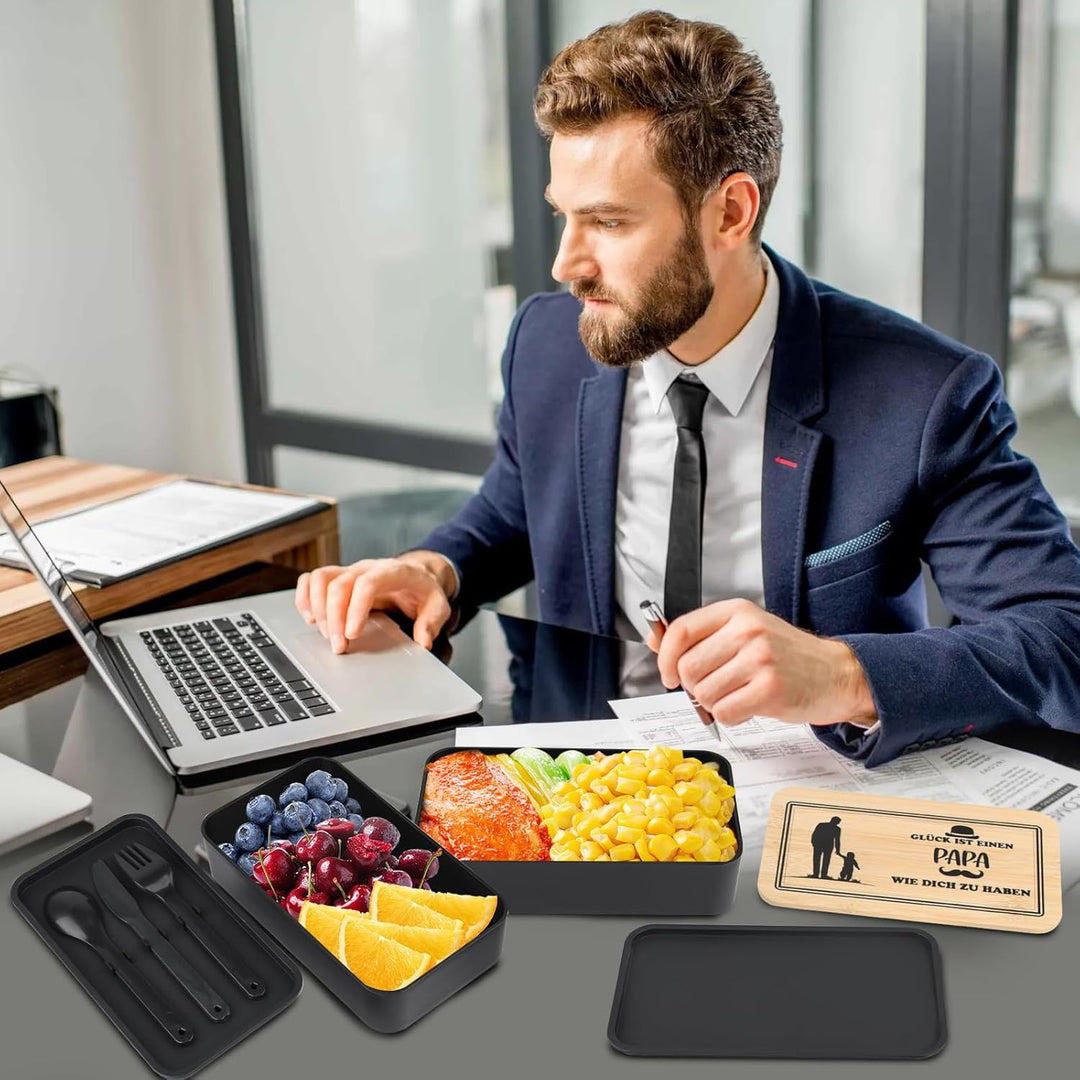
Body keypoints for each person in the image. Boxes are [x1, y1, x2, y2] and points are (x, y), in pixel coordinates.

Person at [295, 11, 1080, 766]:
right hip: (581, 779)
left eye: (607, 222)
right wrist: (440, 569)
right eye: (564, 216)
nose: (566, 264)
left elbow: (1061, 633)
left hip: (804, 800)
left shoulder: (923, 394)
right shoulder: (546, 341)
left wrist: (841, 674)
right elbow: (516, 508)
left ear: (730, 212)